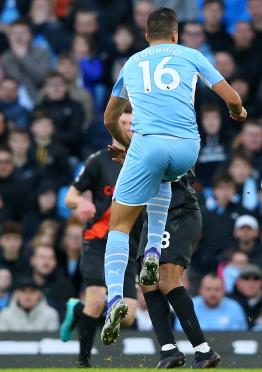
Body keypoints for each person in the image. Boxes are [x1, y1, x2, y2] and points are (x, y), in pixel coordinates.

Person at [100, 6, 246, 348]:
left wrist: (127, 145)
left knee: (119, 225)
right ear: (176, 35)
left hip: (148, 144)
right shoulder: (192, 54)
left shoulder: (133, 63)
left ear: (147, 36)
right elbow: (232, 97)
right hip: (187, 148)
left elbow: (110, 118)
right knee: (163, 177)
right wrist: (237, 111)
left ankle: (113, 300)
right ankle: (152, 251)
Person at [59, 107, 139, 368]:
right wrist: (79, 204)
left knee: (127, 316)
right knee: (96, 302)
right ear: (113, 126)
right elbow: (70, 196)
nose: (128, 127)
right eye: (124, 122)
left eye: (132, 123)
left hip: (129, 243)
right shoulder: (98, 160)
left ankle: (76, 310)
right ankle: (83, 362)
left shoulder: (143, 160)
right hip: (98, 239)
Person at [136, 169, 222, 368]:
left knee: (167, 280)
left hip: (178, 209)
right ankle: (169, 351)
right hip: (152, 213)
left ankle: (203, 351)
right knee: (147, 281)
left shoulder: (172, 140)